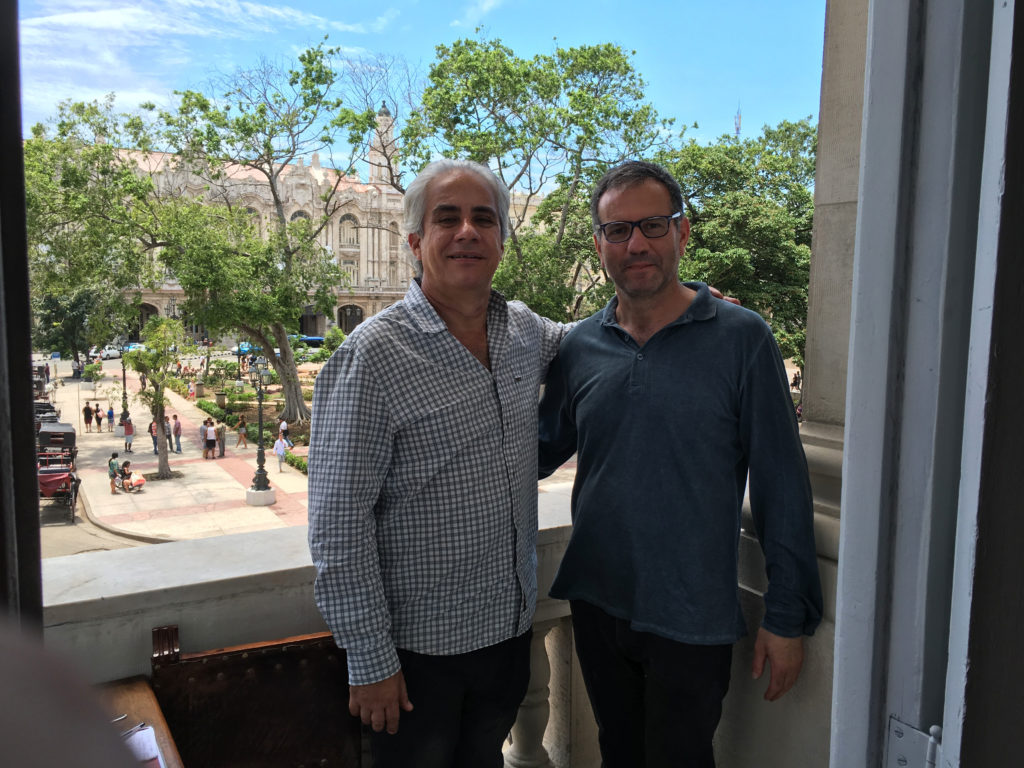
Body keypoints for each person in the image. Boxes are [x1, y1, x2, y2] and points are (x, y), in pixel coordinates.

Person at [537, 161, 823, 768]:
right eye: (617, 230)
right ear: (599, 245)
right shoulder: (580, 346)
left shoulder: (742, 339)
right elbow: (534, 451)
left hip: (692, 614)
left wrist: (787, 615)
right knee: (619, 753)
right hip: (596, 599)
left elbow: (781, 484)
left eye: (653, 226)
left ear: (683, 233)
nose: (636, 243)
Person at [308, 158, 569, 768]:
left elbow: (595, 338)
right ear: (416, 241)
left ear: (502, 238)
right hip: (417, 658)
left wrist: (668, 304)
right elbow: (339, 527)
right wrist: (371, 661)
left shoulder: (524, 330)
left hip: (507, 638)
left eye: (484, 218)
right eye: (446, 218)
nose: (468, 232)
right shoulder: (371, 356)